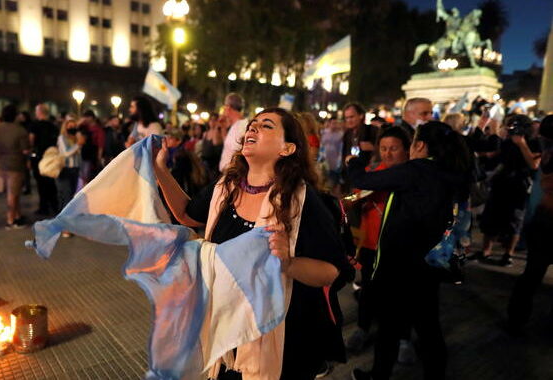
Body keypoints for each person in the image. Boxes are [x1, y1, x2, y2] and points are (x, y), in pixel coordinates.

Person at [154, 107, 351, 379]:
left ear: (287, 148)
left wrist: (289, 263)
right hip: (227, 331)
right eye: (252, 124)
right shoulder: (226, 187)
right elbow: (187, 214)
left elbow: (331, 271)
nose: (252, 129)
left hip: (284, 340)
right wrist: (159, 170)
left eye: (266, 125)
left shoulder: (303, 201)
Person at [348, 121, 471, 380]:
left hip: (400, 266)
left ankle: (379, 375)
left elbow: (361, 179)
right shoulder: (454, 171)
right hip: (432, 263)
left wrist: (355, 161)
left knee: (389, 327)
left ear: (419, 146)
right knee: (428, 327)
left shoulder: (416, 170)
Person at [345, 127, 411, 355]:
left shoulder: (413, 175)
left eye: (394, 148)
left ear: (407, 149)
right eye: (383, 148)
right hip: (372, 243)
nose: (388, 153)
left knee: (402, 293)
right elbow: (352, 198)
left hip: (402, 247)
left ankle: (404, 339)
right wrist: (354, 200)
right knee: (368, 288)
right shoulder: (371, 173)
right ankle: (362, 329)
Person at [507, 115, 553, 331]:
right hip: (546, 220)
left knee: (532, 274)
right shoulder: (548, 154)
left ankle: (516, 320)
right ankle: (517, 319)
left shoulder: (547, 152)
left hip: (543, 219)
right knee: (532, 274)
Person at [477, 114, 542, 266]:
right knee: (491, 216)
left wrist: (522, 144)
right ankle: (486, 250)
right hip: (501, 183)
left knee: (514, 220)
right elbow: (498, 159)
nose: (512, 128)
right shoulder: (507, 142)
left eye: (515, 125)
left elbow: (533, 164)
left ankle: (508, 254)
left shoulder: (534, 142)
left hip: (519, 185)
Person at [0, 104, 30, 229]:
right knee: (13, 193)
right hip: (16, 165)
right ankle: (11, 220)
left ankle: (17, 215)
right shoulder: (20, 130)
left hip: (1, 164)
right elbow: (25, 150)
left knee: (11, 192)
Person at [29, 104, 60, 216]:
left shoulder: (34, 125)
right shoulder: (53, 126)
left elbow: (31, 141)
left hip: (39, 158)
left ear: (39, 112)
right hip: (51, 158)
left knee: (41, 184)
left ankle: (44, 207)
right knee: (51, 183)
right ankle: (54, 206)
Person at [56, 118, 84, 237]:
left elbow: (79, 156)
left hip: (75, 169)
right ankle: (64, 227)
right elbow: (66, 153)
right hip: (65, 170)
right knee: (66, 197)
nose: (72, 128)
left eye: (74, 125)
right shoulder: (62, 138)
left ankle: (65, 224)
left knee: (70, 197)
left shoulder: (76, 138)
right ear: (65, 127)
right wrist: (78, 144)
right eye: (70, 126)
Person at [217, 93, 248, 172]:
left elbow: (239, 153)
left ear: (228, 107)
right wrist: (223, 128)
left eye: (224, 106)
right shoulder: (235, 125)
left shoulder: (242, 126)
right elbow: (229, 147)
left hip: (231, 173)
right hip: (227, 172)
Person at [77, 110, 105, 189]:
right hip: (82, 153)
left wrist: (99, 158)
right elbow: (74, 127)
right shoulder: (84, 127)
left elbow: (100, 145)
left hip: (91, 155)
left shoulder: (98, 129)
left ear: (91, 118)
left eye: (86, 117)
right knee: (82, 175)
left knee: (87, 175)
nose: (85, 119)